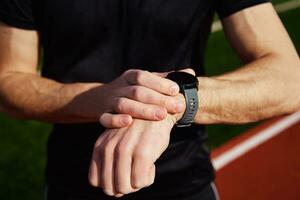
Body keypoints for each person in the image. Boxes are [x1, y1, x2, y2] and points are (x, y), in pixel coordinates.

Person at [0, 0, 299, 199]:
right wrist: (101, 98)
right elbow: (8, 79)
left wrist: (173, 102)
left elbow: (289, 80)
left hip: (184, 179)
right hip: (75, 179)